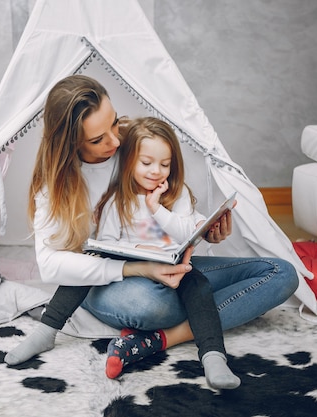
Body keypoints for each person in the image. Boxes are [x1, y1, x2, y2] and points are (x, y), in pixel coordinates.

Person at [4, 75, 299, 380]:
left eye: (114, 123)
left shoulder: (136, 146)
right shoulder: (55, 187)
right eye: (97, 139)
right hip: (101, 280)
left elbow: (176, 203)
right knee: (155, 305)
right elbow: (53, 265)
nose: (116, 142)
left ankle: (157, 340)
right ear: (70, 143)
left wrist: (204, 230)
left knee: (281, 274)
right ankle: (51, 330)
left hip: (166, 267)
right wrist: (137, 267)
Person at [88, 116, 239, 388]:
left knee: (199, 286)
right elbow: (106, 247)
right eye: (146, 163)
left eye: (165, 164)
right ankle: (161, 329)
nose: (156, 171)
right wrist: (138, 250)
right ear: (129, 161)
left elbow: (186, 234)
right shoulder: (117, 202)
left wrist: (157, 209)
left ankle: (213, 356)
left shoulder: (176, 194)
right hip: (140, 278)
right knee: (155, 304)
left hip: (178, 271)